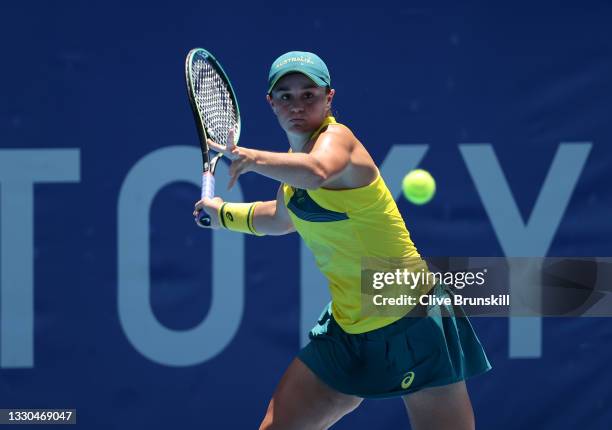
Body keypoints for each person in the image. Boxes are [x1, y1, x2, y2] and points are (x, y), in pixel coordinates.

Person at [193, 51, 491, 430]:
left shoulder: (338, 140)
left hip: (409, 318)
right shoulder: (292, 163)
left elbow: (317, 172)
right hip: (348, 327)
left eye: (308, 95)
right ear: (270, 103)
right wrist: (223, 215)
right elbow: (283, 218)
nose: (296, 105)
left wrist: (251, 157)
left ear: (328, 98)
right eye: (285, 96)